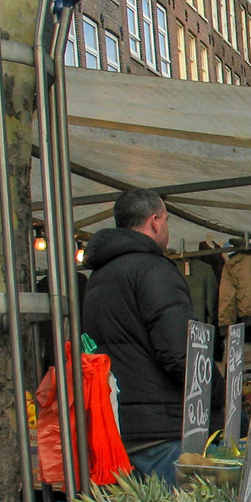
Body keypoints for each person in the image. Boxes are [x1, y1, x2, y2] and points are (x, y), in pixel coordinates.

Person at [82, 188, 196, 485]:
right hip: (161, 430)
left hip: (116, 426)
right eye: (167, 219)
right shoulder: (155, 270)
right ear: (155, 221)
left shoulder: (97, 278)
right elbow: (180, 354)